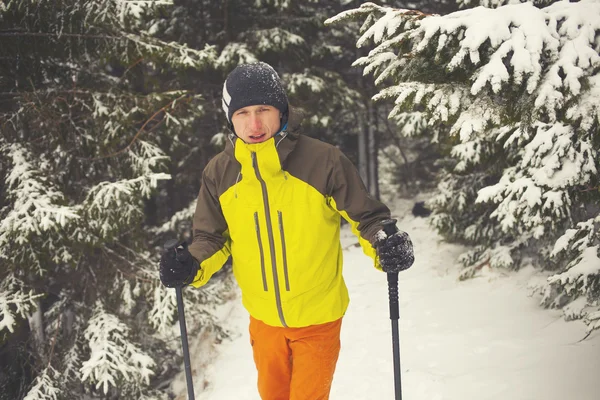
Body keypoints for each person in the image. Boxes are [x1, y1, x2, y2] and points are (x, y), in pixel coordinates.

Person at [159, 62, 414, 400]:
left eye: (263, 110)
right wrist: (191, 264)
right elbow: (212, 238)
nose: (254, 124)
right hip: (263, 321)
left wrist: (385, 245)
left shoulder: (322, 160)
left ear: (281, 110)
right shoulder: (219, 173)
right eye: (243, 113)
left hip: (318, 318)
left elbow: (366, 217)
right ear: (229, 118)